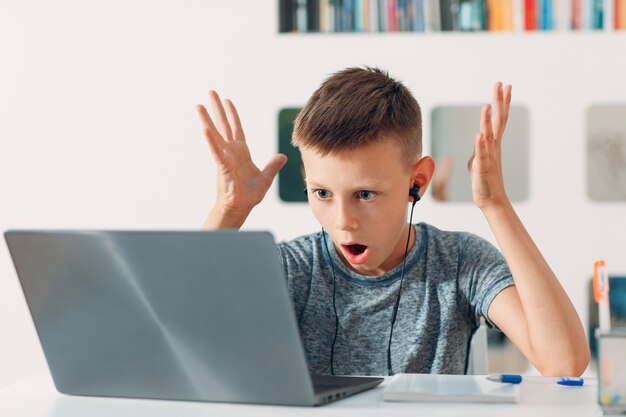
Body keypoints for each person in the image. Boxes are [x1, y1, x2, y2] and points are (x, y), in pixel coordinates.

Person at [196, 66, 589, 377]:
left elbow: (563, 362)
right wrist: (230, 210)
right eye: (322, 194)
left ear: (416, 182)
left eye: (365, 194)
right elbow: (180, 341)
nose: (343, 221)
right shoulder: (291, 269)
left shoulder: (459, 262)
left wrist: (495, 204)